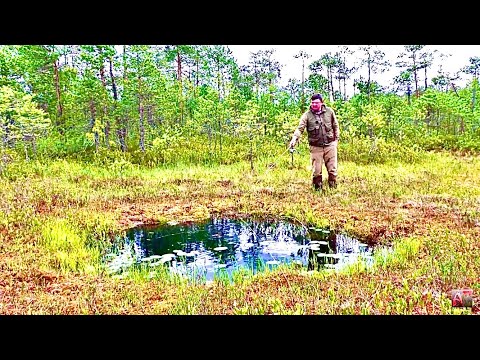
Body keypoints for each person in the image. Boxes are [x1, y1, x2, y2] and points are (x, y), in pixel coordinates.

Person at [289, 93, 340, 191]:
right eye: (312, 103)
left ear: (321, 103)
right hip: (316, 147)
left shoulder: (330, 112)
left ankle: (333, 189)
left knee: (332, 169)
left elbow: (335, 126)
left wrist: (336, 140)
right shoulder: (307, 115)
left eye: (316, 103)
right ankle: (318, 190)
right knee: (316, 171)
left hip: (330, 145)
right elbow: (300, 129)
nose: (314, 105)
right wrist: (294, 138)